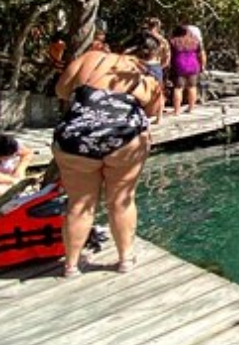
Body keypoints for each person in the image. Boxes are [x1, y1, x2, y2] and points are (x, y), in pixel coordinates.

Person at [52, 31, 163, 277]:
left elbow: (61, 90)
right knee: (121, 199)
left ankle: (71, 265)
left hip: (76, 138)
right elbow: (155, 109)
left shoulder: (92, 58)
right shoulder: (145, 75)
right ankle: (125, 259)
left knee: (79, 203)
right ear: (151, 55)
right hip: (124, 139)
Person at [169, 25, 204, 114]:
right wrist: (202, 65)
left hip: (179, 65)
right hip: (193, 65)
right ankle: (191, 108)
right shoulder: (195, 40)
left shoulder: (173, 41)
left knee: (178, 88)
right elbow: (201, 54)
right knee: (192, 87)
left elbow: (169, 55)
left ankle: (177, 110)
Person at [0, 132, 33, 199]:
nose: (14, 156)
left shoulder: (8, 144)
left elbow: (28, 153)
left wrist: (20, 170)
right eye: (7, 157)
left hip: (9, 178)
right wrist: (11, 180)